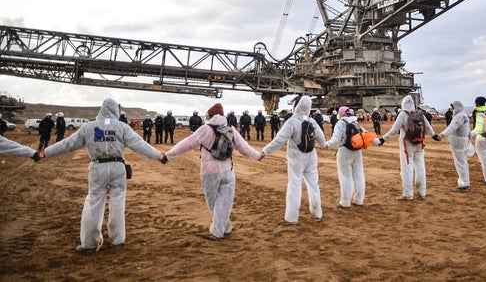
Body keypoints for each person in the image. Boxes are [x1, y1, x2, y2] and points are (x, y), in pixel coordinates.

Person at [38, 98, 166, 254]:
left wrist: (46, 152)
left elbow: (67, 144)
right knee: (118, 203)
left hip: (97, 166)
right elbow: (139, 144)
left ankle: (89, 244)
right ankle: (118, 240)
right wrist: (158, 156)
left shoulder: (89, 127)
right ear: (116, 110)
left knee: (94, 203)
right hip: (118, 166)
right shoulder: (122, 127)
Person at [164, 103, 263, 240]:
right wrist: (258, 156)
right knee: (225, 202)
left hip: (209, 172)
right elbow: (244, 147)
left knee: (214, 203)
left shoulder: (205, 129)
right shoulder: (231, 129)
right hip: (228, 170)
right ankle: (225, 227)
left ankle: (217, 232)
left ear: (209, 116)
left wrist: (168, 156)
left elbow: (186, 144)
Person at [261, 95, 327, 224]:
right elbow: (322, 139)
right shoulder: (312, 122)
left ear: (296, 106)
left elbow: (279, 140)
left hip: (296, 157)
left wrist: (266, 151)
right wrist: (324, 145)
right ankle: (317, 212)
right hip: (311, 156)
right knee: (314, 184)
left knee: (294, 185)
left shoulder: (292, 121)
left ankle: (291, 217)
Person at [379, 95, 440, 200]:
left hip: (407, 144)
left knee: (407, 168)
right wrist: (434, 135)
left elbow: (394, 129)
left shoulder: (403, 114)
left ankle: (408, 194)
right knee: (420, 167)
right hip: (420, 143)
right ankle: (422, 192)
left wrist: (383, 139)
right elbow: (428, 126)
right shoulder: (419, 113)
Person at [326, 106, 379, 207]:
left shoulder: (340, 123)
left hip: (344, 151)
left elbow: (335, 139)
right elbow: (366, 134)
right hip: (357, 151)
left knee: (345, 176)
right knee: (359, 175)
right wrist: (377, 141)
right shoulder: (356, 123)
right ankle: (359, 199)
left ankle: (345, 201)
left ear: (340, 114)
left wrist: (327, 144)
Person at [438, 100, 472, 191]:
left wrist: (442, 135)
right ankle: (466, 182)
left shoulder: (458, 117)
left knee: (460, 163)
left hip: (458, 142)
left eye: (453, 108)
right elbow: (468, 130)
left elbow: (451, 127)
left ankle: (463, 184)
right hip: (463, 141)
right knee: (463, 162)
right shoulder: (465, 115)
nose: (452, 110)